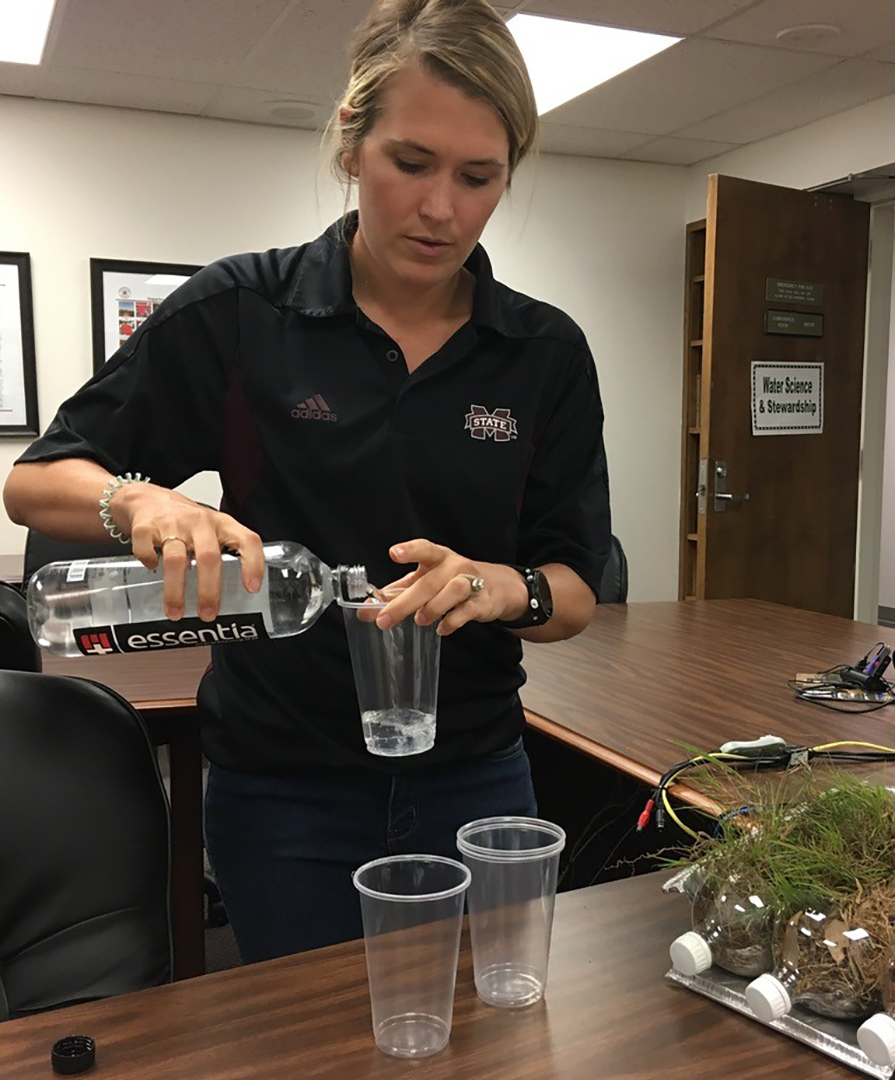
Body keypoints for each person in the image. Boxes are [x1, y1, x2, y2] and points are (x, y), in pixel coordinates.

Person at [4, 0, 610, 963]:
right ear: (350, 146)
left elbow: (576, 589)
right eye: (410, 163)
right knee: (307, 1044)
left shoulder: (543, 353)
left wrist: (501, 586)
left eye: (478, 177)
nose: (440, 207)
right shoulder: (244, 312)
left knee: (487, 1041)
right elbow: (37, 482)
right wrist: (144, 500)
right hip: (282, 783)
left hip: (473, 773)